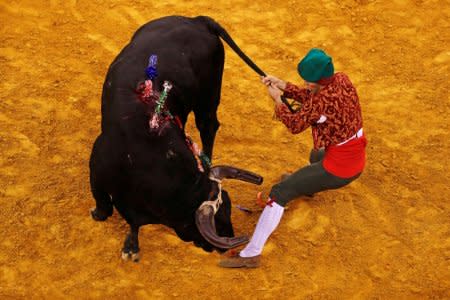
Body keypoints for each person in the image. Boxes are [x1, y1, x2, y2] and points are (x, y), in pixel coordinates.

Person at [219, 48, 367, 268]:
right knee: (315, 154)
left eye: (309, 81)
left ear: (320, 80)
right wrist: (284, 86)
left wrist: (278, 100)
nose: (306, 84)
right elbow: (314, 96)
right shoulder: (341, 80)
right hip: (352, 153)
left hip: (340, 168)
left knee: (280, 192)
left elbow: (295, 124)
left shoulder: (320, 102)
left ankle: (251, 254)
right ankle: (307, 186)